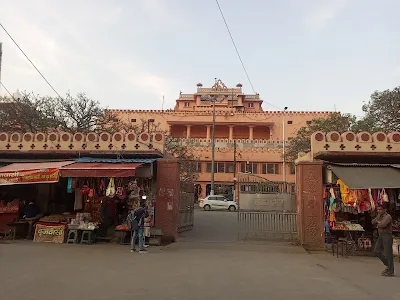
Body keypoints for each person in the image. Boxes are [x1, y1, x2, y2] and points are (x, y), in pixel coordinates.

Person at [372, 203, 394, 277]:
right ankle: (387, 264)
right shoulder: (379, 216)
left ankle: (390, 270)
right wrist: (378, 219)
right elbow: (373, 222)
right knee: (376, 250)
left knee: (388, 253)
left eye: (380, 209)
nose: (379, 211)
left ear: (385, 210)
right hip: (381, 235)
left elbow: (382, 225)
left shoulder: (388, 216)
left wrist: (378, 222)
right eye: (378, 209)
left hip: (387, 235)